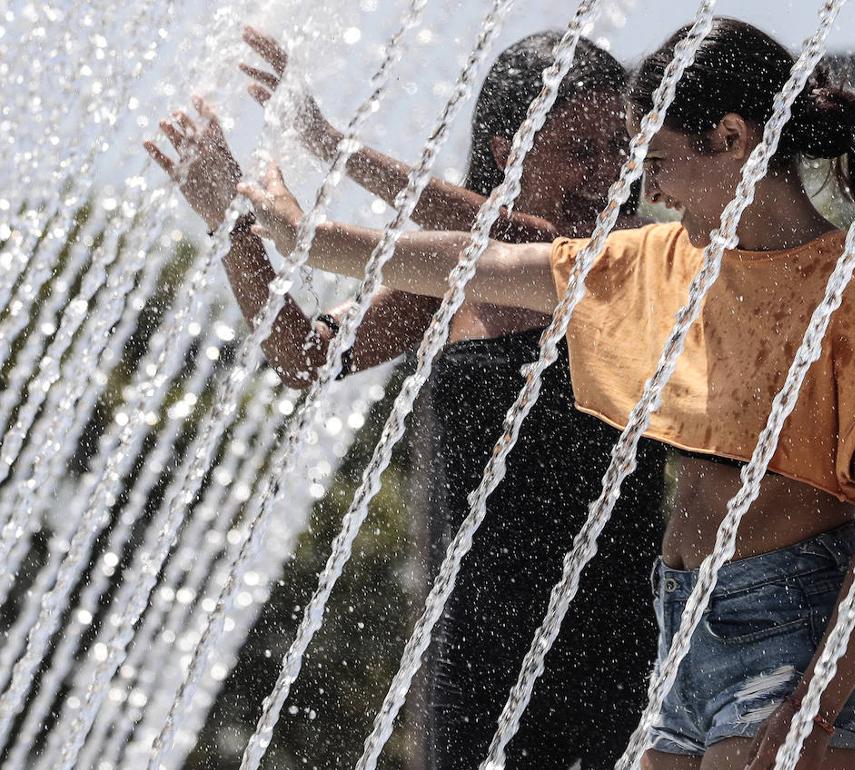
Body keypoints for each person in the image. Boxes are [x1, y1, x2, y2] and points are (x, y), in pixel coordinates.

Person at [146, 28, 667, 769]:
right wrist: (233, 228)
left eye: (622, 147)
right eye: (583, 152)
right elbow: (304, 356)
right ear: (505, 153)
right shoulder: (452, 281)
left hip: (620, 631)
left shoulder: (638, 262)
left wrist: (329, 143)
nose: (612, 173)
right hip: (476, 640)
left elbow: (522, 232)